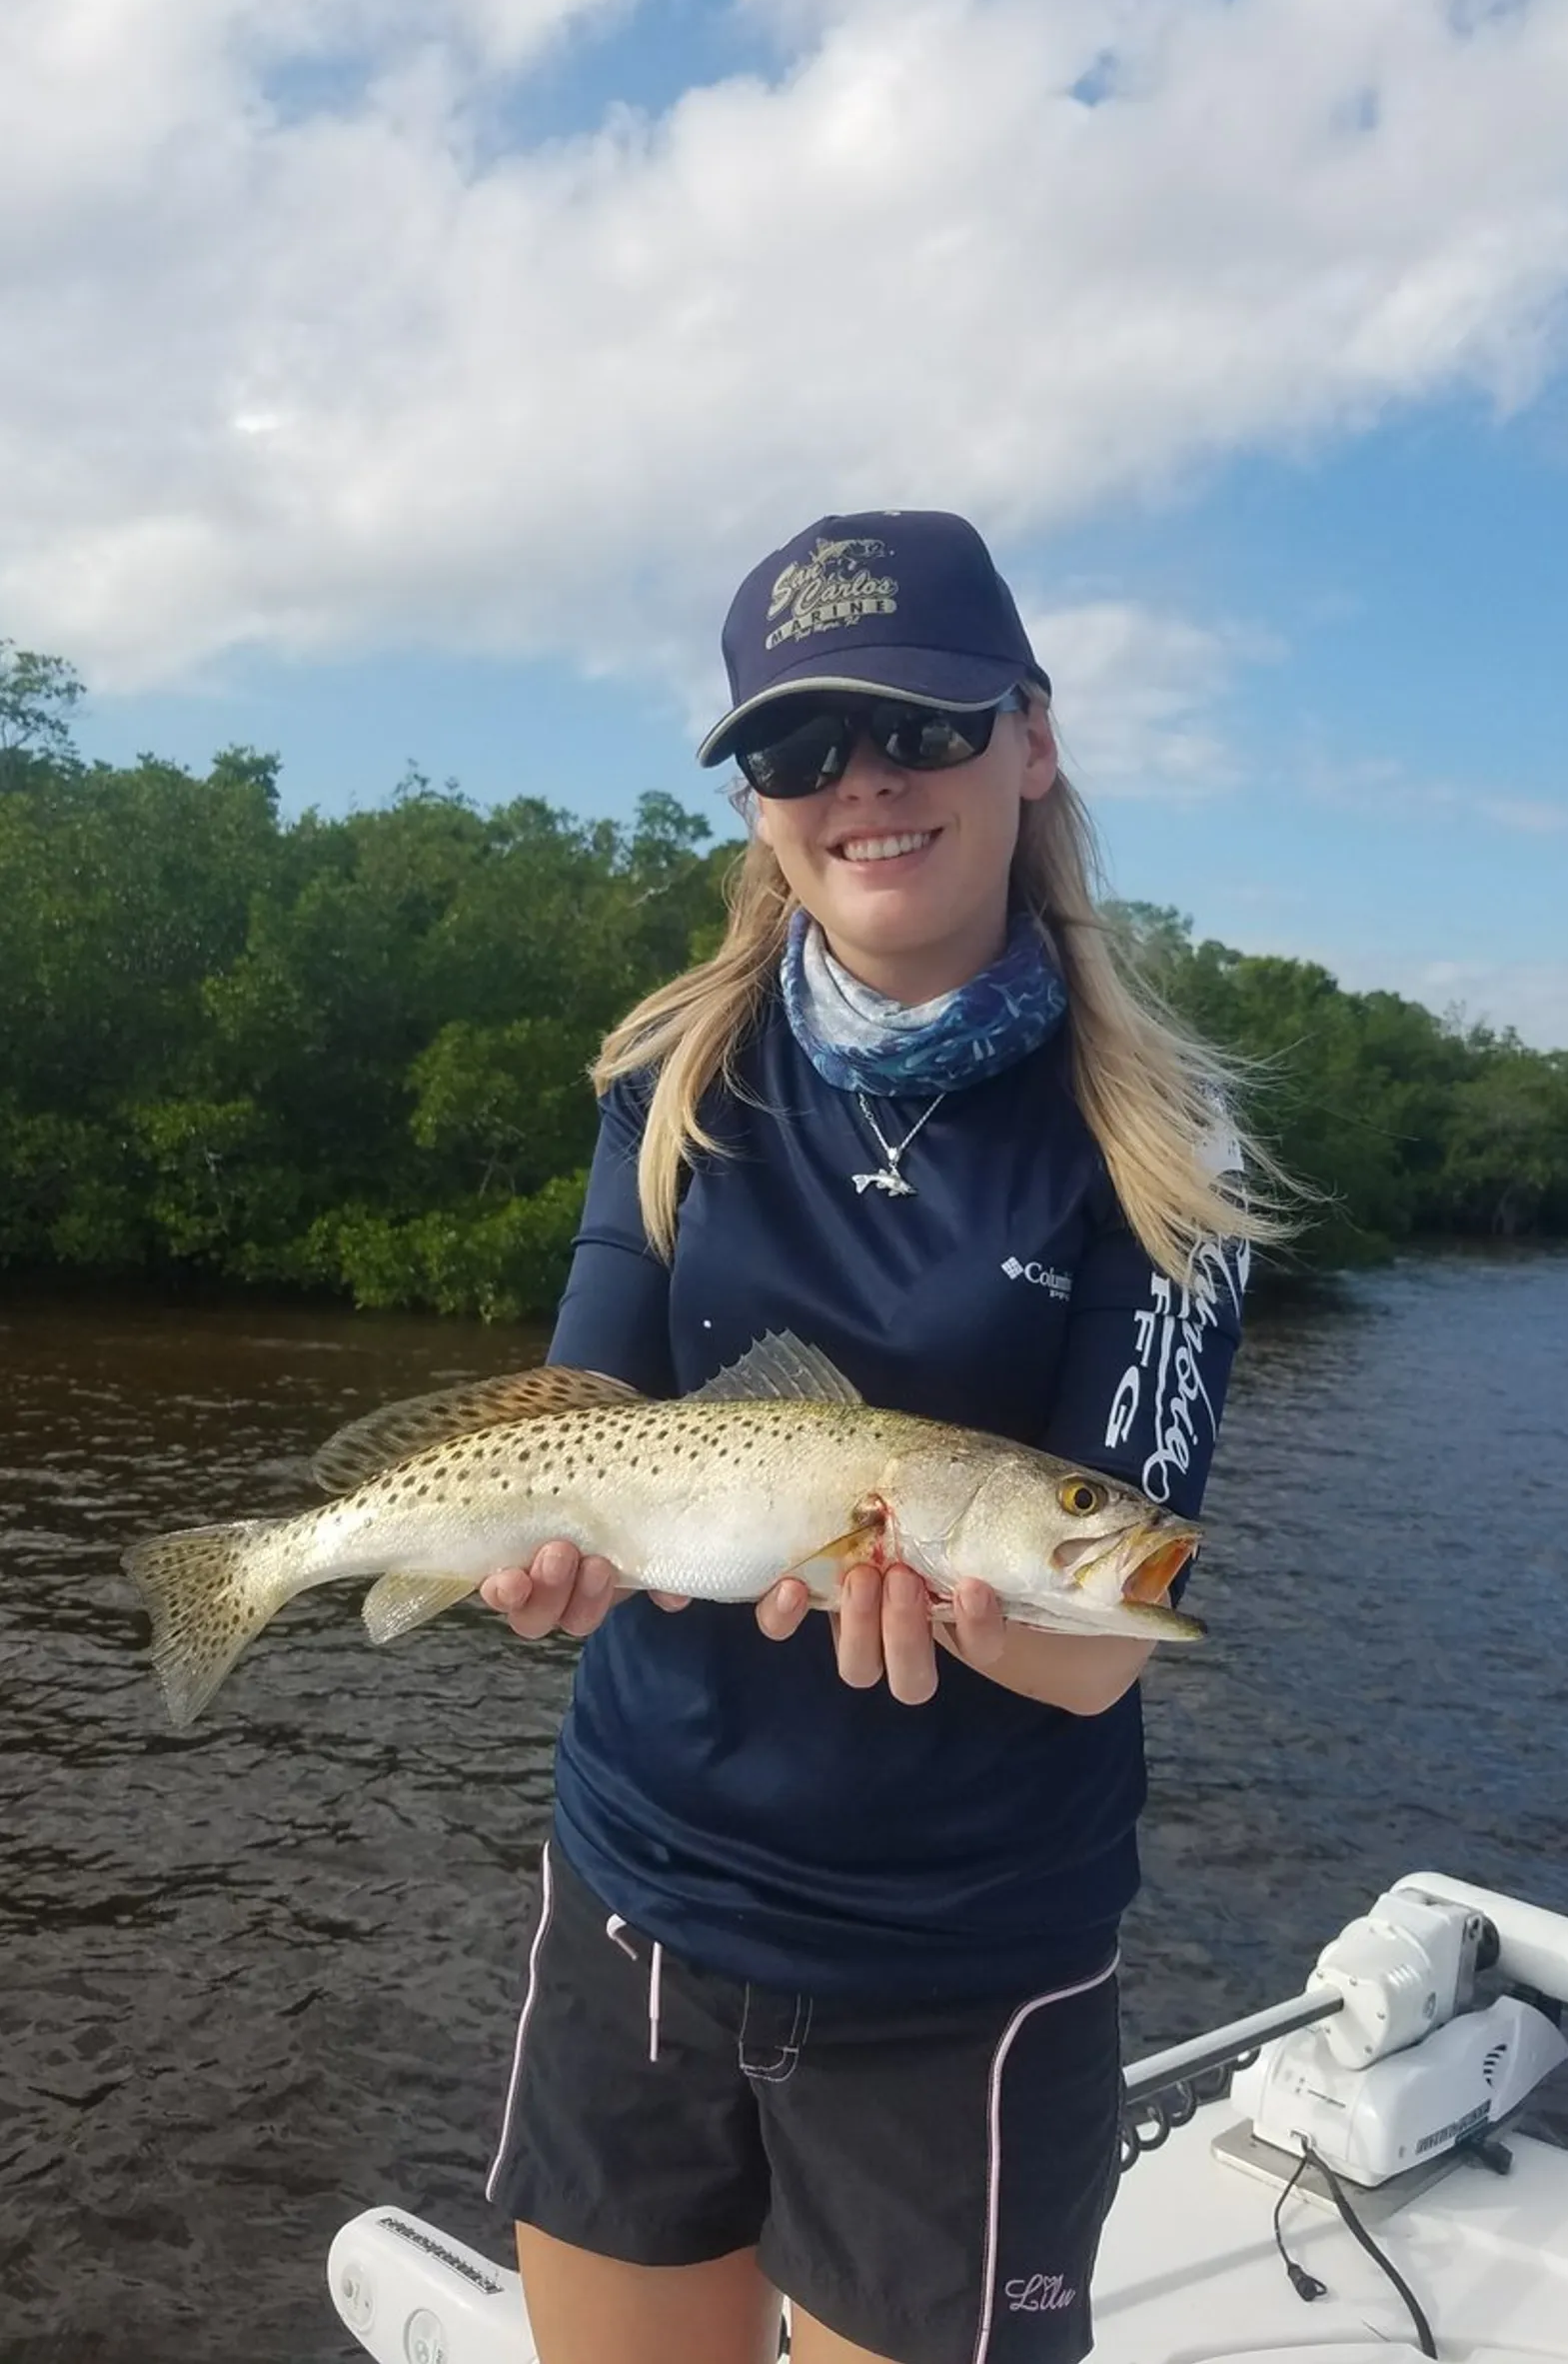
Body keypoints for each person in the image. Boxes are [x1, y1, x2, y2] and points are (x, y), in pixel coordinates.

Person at [479, 511, 1263, 2364]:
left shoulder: (1163, 1145)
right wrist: (544, 1556)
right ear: (758, 792)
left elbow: (1113, 1617)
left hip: (957, 1974)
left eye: (921, 728)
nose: (864, 787)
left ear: (1032, 739)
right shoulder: (674, 1069)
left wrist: (991, 1620)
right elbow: (584, 1417)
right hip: (636, 1901)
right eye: (798, 747)